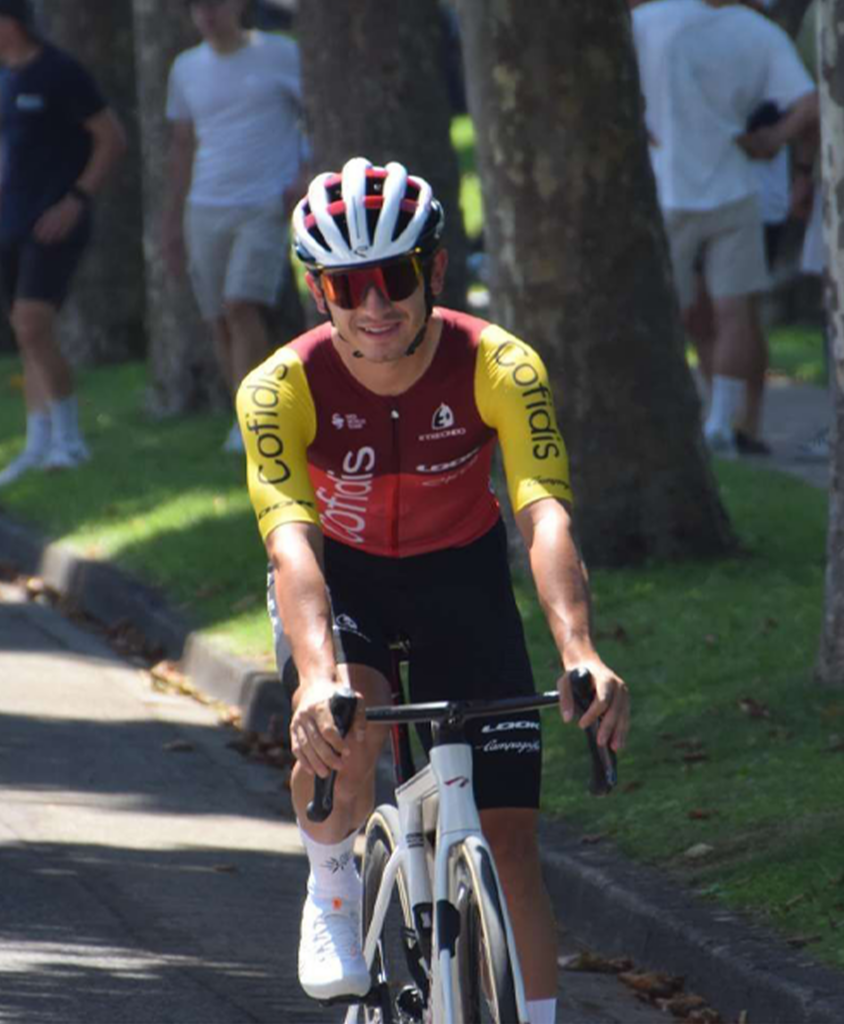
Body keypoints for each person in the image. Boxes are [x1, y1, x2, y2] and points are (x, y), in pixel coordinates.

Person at [237, 158, 631, 1024]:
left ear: (436, 271)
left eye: (396, 277)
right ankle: (334, 887)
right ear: (317, 292)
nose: (375, 305)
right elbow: (290, 544)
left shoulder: (501, 364)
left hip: (462, 577)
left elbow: (543, 514)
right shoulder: (278, 388)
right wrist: (314, 677)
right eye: (348, 286)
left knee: (513, 844)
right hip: (341, 581)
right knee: (354, 720)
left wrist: (580, 651)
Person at [632, 0, 818, 457]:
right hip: (734, 186)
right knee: (736, 311)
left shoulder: (646, 21)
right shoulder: (756, 30)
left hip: (667, 188)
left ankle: (674, 420)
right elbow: (810, 102)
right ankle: (721, 424)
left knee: (666, 313)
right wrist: (774, 140)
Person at [162, 0, 310, 454]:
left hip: (263, 203)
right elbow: (183, 144)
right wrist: (171, 218)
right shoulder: (185, 68)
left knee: (240, 304)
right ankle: (244, 414)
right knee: (218, 320)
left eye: (215, 5)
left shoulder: (282, 53)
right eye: (196, 8)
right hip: (204, 206)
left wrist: (303, 175)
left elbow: (316, 117)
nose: (206, 15)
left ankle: (258, 419)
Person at [0, 0, 126, 488]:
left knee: (32, 323)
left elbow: (111, 139)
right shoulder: (5, 77)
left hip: (53, 221)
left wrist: (77, 198)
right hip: (10, 223)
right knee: (23, 328)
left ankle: (71, 439)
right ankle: (38, 442)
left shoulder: (60, 71)